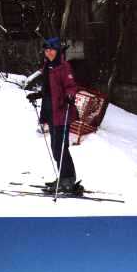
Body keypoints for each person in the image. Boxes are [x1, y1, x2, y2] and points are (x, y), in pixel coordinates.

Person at [39, 37, 80, 192]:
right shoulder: (47, 66)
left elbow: (71, 86)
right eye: (46, 50)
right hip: (50, 112)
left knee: (60, 147)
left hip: (62, 112)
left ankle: (68, 180)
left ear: (57, 51)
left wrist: (70, 95)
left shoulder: (64, 67)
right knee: (56, 147)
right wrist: (37, 95)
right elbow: (49, 90)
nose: (48, 52)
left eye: (51, 49)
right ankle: (63, 178)